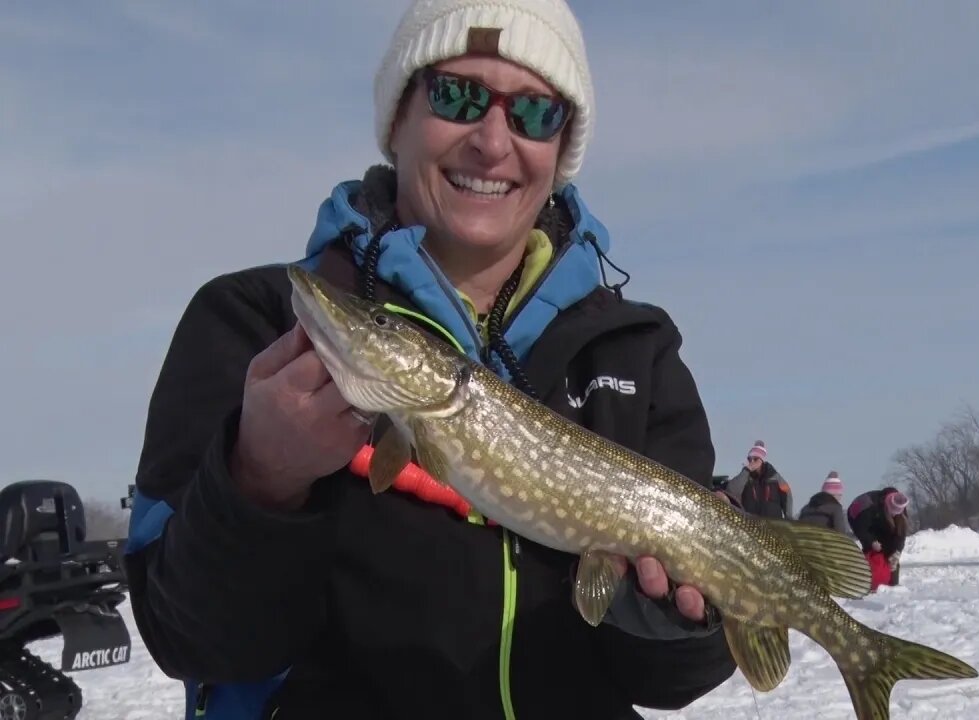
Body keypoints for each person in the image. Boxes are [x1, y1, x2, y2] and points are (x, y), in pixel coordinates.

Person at [122, 1, 738, 718]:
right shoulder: (255, 323)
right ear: (397, 120)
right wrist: (260, 478)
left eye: (535, 113)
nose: (492, 140)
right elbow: (193, 641)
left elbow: (665, 682)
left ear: (561, 146)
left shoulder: (637, 349)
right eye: (457, 95)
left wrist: (672, 620)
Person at [846, 486, 910, 591]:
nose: (894, 514)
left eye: (897, 513)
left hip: (880, 518)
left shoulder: (900, 506)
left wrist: (897, 552)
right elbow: (862, 530)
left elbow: (900, 535)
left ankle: (892, 583)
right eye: (892, 512)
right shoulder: (869, 508)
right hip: (857, 517)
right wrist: (871, 542)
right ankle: (867, 581)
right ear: (886, 506)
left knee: (891, 550)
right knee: (874, 551)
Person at [724, 440, 793, 519]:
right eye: (749, 460)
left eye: (755, 459)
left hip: (773, 525)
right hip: (751, 525)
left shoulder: (775, 477)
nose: (752, 462)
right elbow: (731, 491)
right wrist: (746, 470)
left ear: (762, 461)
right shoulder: (745, 478)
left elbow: (787, 493)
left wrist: (789, 518)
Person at [797, 471, 853, 535]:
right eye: (839, 495)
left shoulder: (805, 508)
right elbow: (840, 534)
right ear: (835, 495)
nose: (841, 498)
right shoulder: (836, 508)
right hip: (825, 542)